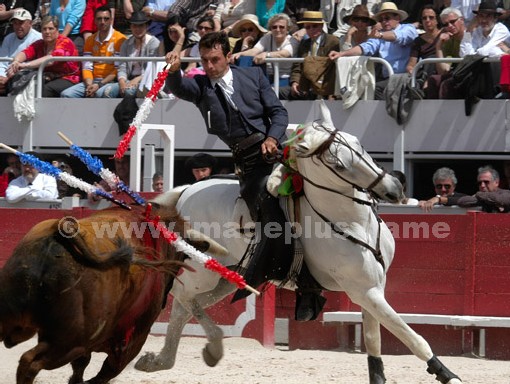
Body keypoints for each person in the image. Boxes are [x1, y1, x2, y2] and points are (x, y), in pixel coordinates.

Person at [164, 31, 325, 321]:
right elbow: (177, 87)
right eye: (204, 61)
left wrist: (274, 138)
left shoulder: (253, 77)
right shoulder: (201, 87)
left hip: (277, 152)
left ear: (228, 56)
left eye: (215, 59)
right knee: (265, 205)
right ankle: (304, 283)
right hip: (249, 165)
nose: (210, 66)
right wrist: (174, 70)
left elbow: (278, 113)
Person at [328, 2, 418, 99]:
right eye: (381, 19)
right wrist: (342, 53)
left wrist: (380, 35)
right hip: (388, 80)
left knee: (373, 89)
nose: (384, 22)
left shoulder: (408, 28)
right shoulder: (378, 35)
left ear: (398, 18)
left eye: (387, 18)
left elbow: (399, 37)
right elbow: (365, 47)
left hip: (407, 78)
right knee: (367, 89)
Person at [60, 6, 126, 98]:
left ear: (111, 20)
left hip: (110, 82)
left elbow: (118, 68)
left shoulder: (120, 39)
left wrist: (99, 85)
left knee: (99, 93)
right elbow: (87, 66)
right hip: (91, 81)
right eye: (99, 19)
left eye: (106, 19)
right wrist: (89, 85)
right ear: (94, 21)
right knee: (66, 94)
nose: (102, 22)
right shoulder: (90, 40)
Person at [7, 15, 81, 97]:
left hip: (69, 78)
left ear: (57, 30)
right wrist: (16, 62)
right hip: (46, 77)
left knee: (44, 89)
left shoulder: (65, 42)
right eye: (44, 29)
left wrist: (25, 65)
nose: (47, 32)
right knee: (16, 82)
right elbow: (26, 52)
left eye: (50, 28)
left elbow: (50, 60)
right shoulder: (40, 43)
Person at [101, 11, 159, 98]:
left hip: (146, 81)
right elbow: (122, 67)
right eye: (134, 25)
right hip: (128, 80)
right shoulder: (126, 43)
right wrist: (122, 82)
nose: (137, 29)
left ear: (146, 26)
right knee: (106, 92)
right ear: (131, 27)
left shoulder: (153, 42)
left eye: (141, 25)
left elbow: (151, 69)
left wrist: (137, 79)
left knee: (129, 92)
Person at [283, 10, 339, 100]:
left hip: (324, 85)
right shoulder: (304, 43)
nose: (311, 29)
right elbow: (298, 66)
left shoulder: (332, 41)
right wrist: (295, 82)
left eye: (315, 26)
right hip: (305, 85)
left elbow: (334, 68)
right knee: (275, 92)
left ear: (321, 26)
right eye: (308, 27)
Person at [231, 13, 298, 87]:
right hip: (268, 75)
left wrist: (266, 54)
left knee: (269, 92)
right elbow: (254, 51)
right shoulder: (268, 37)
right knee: (245, 58)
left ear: (287, 29)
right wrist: (240, 54)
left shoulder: (292, 40)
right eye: (274, 27)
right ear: (271, 29)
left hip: (284, 77)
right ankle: (241, 85)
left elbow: (283, 54)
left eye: (281, 27)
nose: (278, 29)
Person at [426, 7, 466, 99]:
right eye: (446, 24)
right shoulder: (449, 40)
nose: (450, 26)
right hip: (457, 75)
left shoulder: (472, 35)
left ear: (462, 20)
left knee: (447, 84)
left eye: (452, 21)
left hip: (470, 74)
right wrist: (438, 46)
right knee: (433, 80)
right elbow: (443, 71)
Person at [0, 8, 41, 96]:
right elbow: (2, 61)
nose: (18, 26)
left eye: (21, 23)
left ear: (30, 23)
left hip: (25, 76)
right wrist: (1, 77)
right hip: (7, 76)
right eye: (15, 23)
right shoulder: (9, 38)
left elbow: (34, 65)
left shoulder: (38, 38)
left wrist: (7, 78)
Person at [406, 5, 441, 89]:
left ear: (437, 20)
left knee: (432, 58)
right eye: (424, 18)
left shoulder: (444, 35)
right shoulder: (417, 41)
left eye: (431, 17)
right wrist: (411, 71)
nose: (427, 20)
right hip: (424, 72)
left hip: (441, 70)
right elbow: (411, 65)